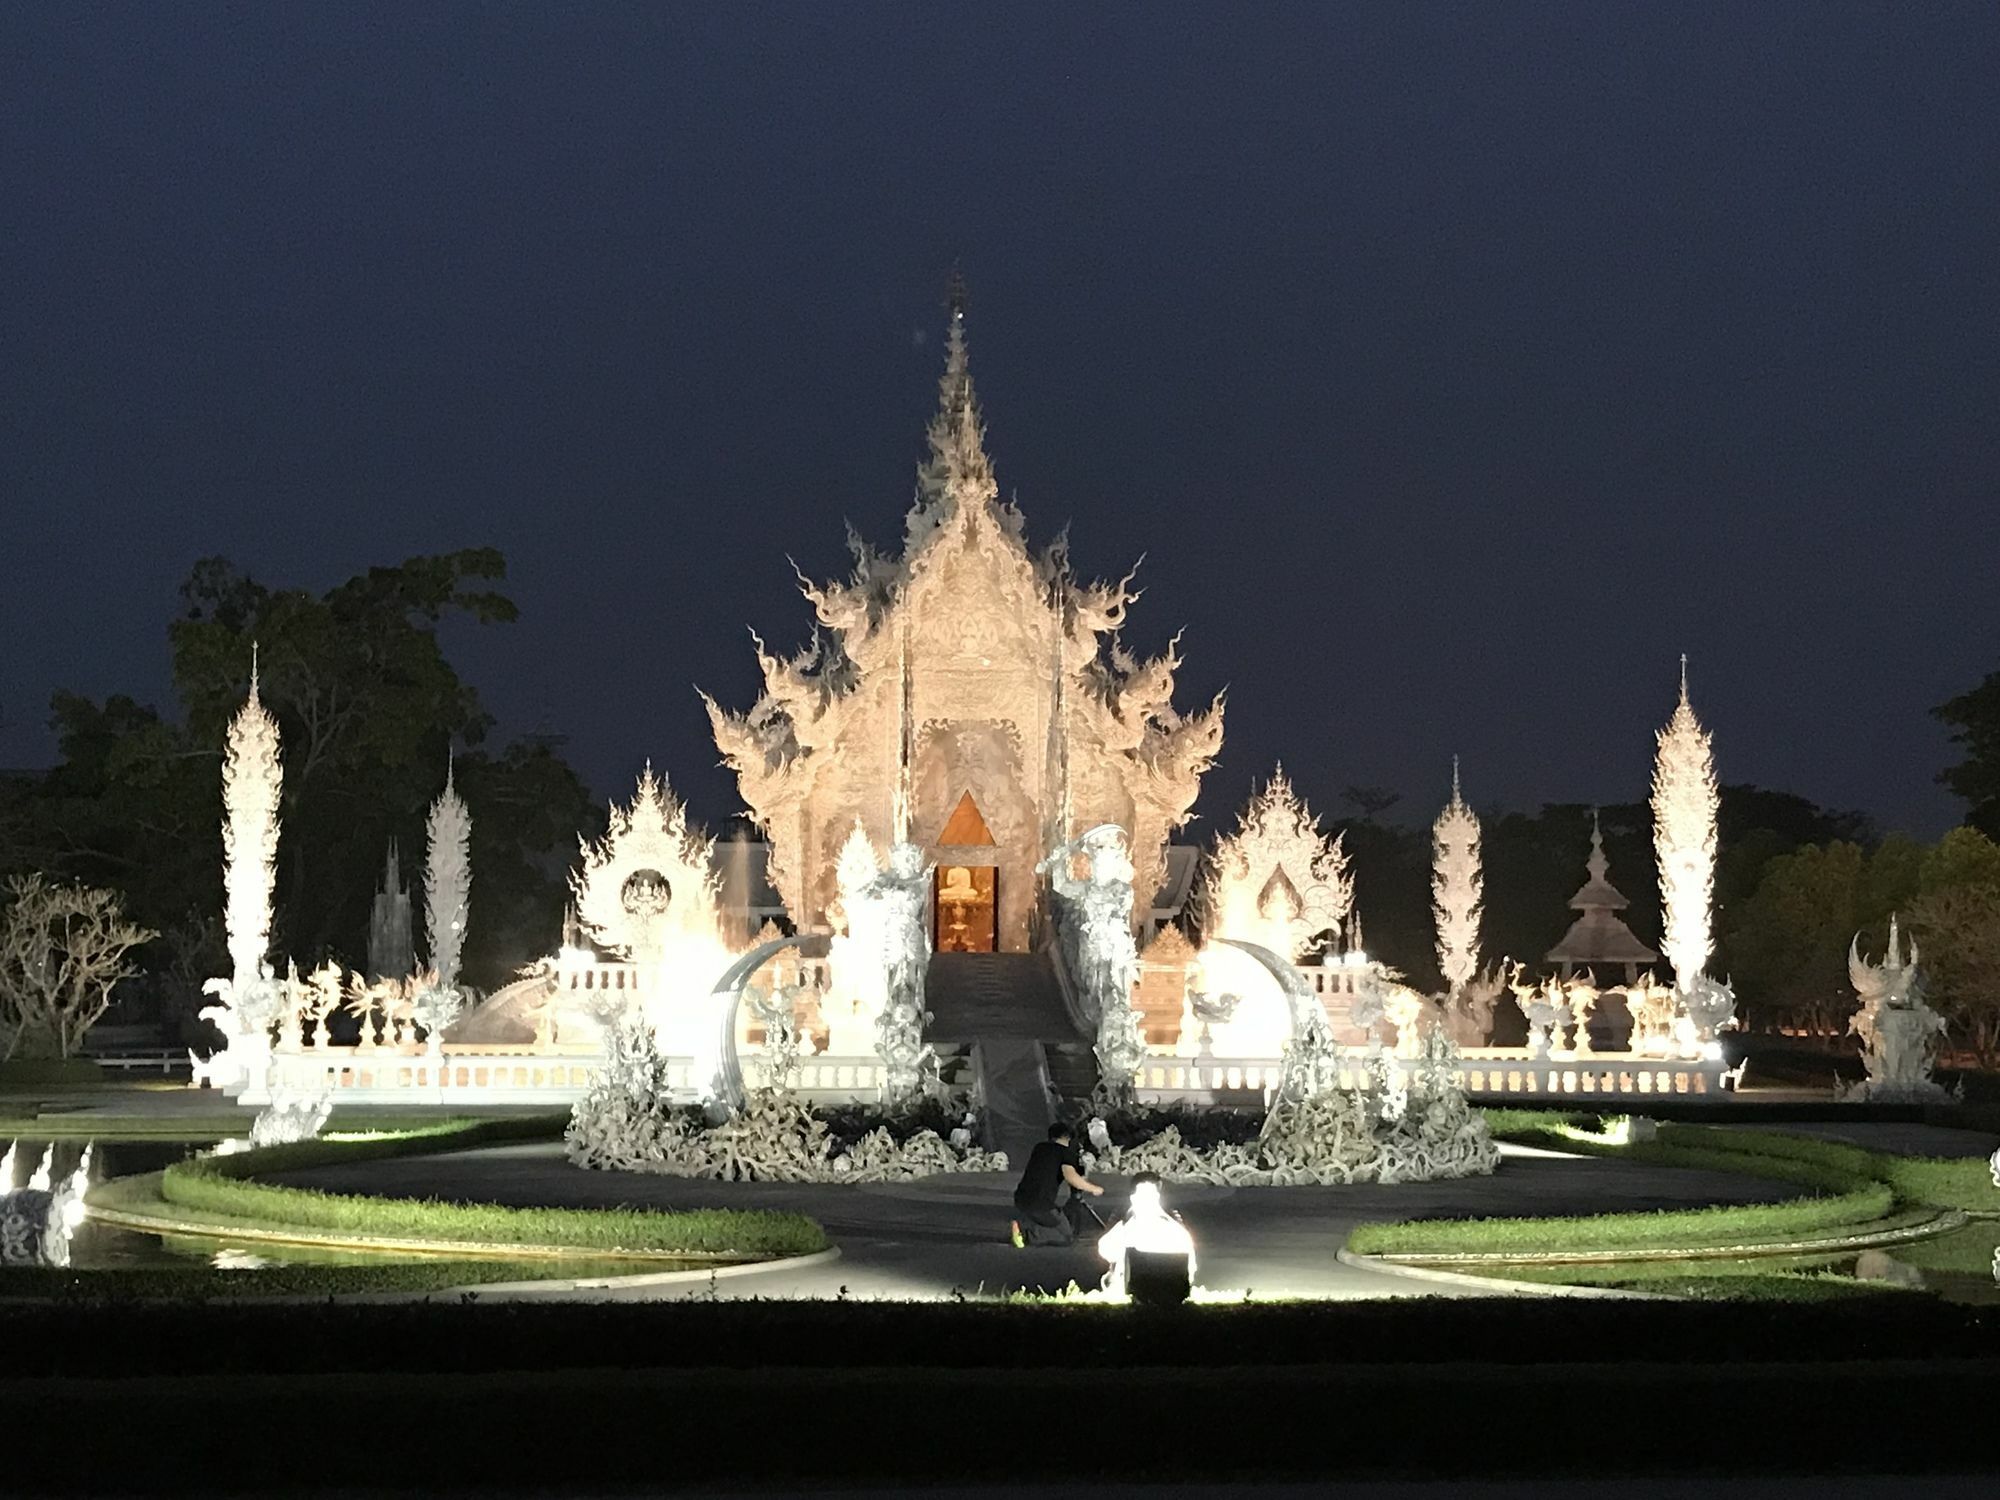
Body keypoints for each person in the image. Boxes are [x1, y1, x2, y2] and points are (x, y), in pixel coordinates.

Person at [1096, 1171, 1195, 1299]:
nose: (1148, 1200)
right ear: (1133, 1198)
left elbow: (1188, 1253)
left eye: (1152, 1195)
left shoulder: (1171, 1220)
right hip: (1126, 1286)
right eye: (1143, 1195)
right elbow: (1106, 1250)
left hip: (1168, 1286)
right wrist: (1126, 1225)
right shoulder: (1123, 1218)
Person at [1009, 1121, 1105, 1247]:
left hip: (1021, 1198)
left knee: (1055, 1219)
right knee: (1066, 1237)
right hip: (1041, 1204)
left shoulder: (1040, 1148)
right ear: (1068, 1137)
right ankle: (1025, 1233)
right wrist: (1093, 1188)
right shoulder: (1065, 1153)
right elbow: (1071, 1177)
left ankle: (1028, 1227)